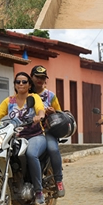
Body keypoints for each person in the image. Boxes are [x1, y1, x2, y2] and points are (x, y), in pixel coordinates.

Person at [0, 72, 48, 205]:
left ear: (29, 85)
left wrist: (40, 116)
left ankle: (39, 192)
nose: (21, 84)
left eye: (24, 82)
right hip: (15, 137)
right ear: (15, 85)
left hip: (34, 135)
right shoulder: (9, 101)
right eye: (18, 82)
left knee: (31, 154)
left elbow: (40, 109)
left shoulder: (34, 97)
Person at [30, 65, 65, 197]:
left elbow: (60, 113)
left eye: (43, 77)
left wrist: (53, 112)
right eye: (37, 77)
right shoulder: (26, 93)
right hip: (27, 130)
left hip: (47, 130)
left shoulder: (51, 95)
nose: (40, 80)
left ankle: (58, 180)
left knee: (53, 149)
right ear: (31, 77)